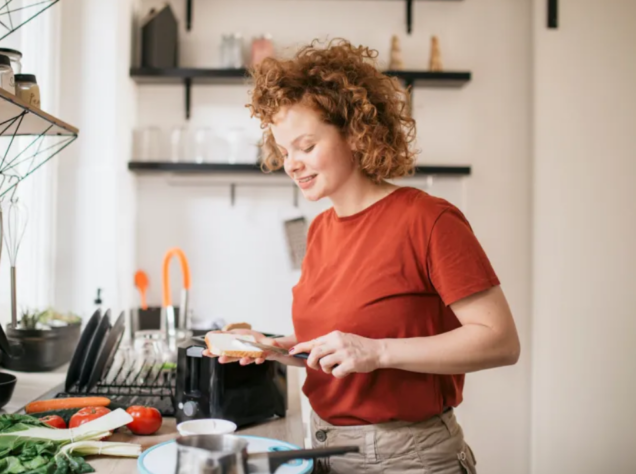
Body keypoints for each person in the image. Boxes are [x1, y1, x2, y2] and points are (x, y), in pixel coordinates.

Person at [204, 39, 520, 474]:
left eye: (306, 146)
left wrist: (379, 352)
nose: (291, 164)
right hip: (325, 448)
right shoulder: (319, 230)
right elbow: (350, 340)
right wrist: (285, 349)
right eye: (283, 150)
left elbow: (500, 340)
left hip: (407, 459)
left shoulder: (427, 219)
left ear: (354, 132)